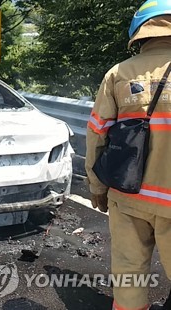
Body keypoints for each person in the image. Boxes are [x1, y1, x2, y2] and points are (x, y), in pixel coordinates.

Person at [85, 1, 171, 310]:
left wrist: (97, 188)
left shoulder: (118, 74)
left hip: (128, 194)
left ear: (140, 32)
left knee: (129, 278)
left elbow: (97, 135)